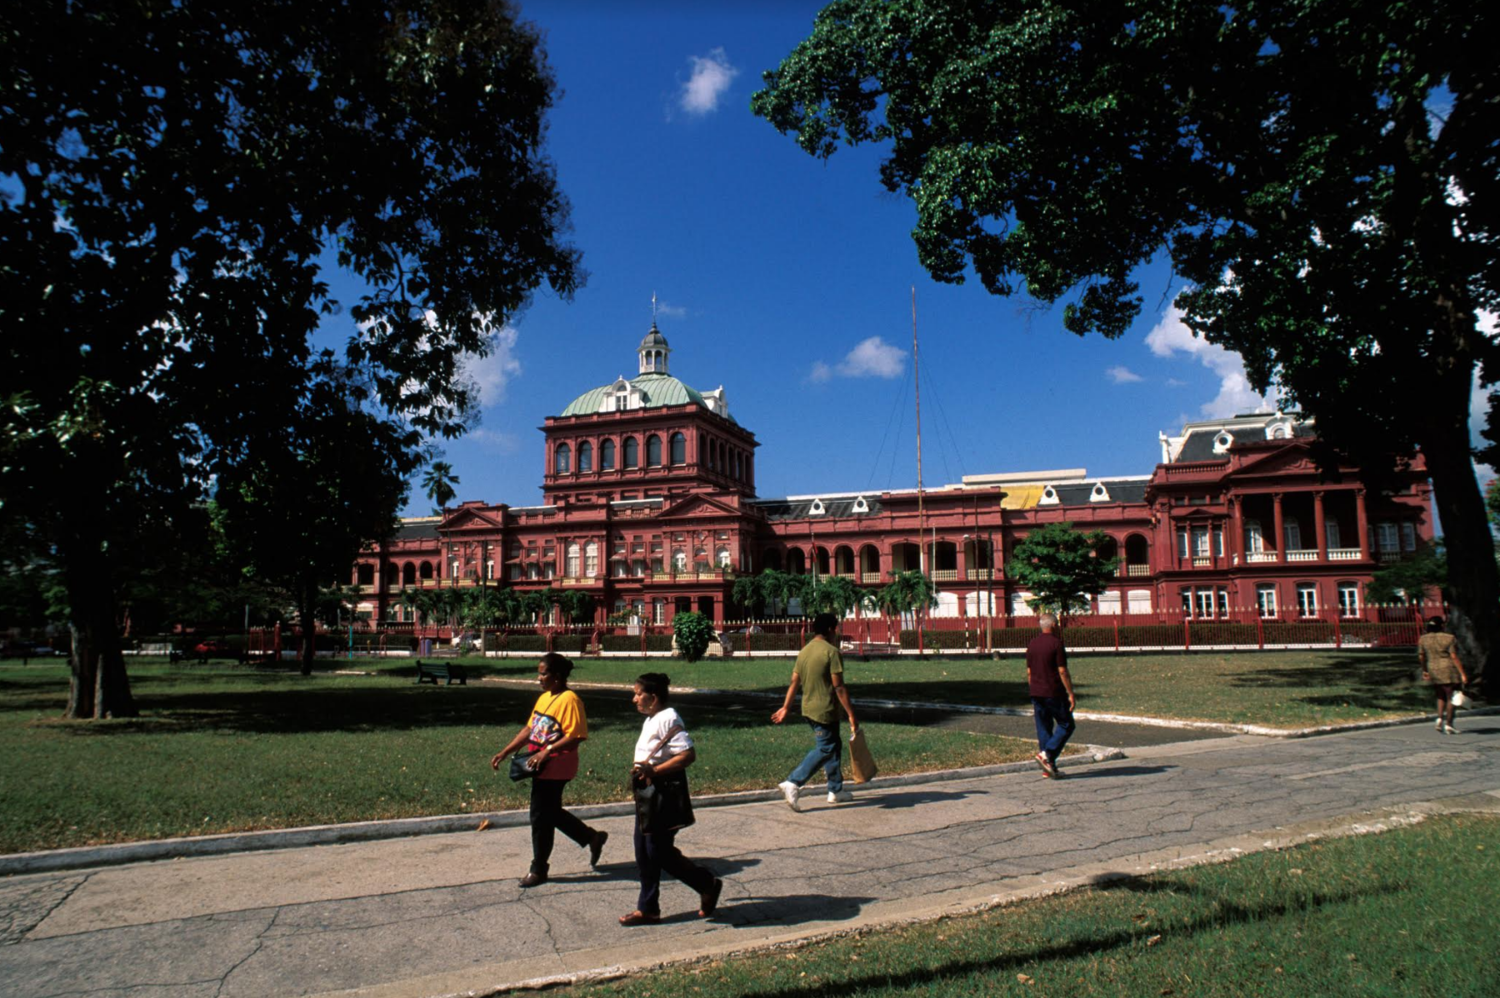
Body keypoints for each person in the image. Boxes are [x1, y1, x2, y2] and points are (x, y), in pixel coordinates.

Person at [490, 652, 608, 887]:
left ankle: (539, 869)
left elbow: (576, 736)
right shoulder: (545, 698)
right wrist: (505, 751)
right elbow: (530, 729)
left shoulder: (570, 700)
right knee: (549, 812)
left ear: (557, 676)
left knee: (540, 815)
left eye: (543, 673)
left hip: (557, 766)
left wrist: (547, 751)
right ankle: (592, 837)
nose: (539, 678)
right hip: (538, 765)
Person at [618, 672, 723, 926]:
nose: (634, 699)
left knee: (658, 851)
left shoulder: (669, 717)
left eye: (638, 694)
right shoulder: (653, 718)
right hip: (646, 793)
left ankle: (706, 884)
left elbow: (687, 755)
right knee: (644, 851)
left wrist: (654, 771)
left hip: (662, 792)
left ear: (653, 698)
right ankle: (648, 908)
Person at [771, 612, 859, 810]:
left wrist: (786, 707)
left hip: (809, 708)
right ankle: (793, 783)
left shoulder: (805, 651)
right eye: (836, 628)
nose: (837, 632)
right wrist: (852, 715)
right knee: (826, 747)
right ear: (830, 629)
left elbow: (795, 681)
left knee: (834, 745)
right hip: (824, 709)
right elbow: (839, 687)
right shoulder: (831, 652)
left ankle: (835, 790)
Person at [1027, 612, 1075, 778]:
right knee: (1066, 724)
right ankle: (1047, 755)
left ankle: (1048, 768)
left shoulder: (1032, 644)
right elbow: (1062, 670)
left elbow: (1029, 671)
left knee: (1044, 728)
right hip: (1053, 692)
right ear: (1054, 625)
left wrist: (1033, 687)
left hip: (1036, 691)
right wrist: (1070, 693)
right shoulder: (1056, 643)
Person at [1417, 616, 1469, 734]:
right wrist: (1462, 674)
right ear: (1442, 626)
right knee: (1452, 697)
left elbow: (1421, 656)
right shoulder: (1449, 638)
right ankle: (1449, 724)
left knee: (1440, 695)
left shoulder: (1423, 639)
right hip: (1449, 669)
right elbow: (1454, 656)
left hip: (1433, 668)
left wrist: (1425, 670)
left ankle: (1439, 718)